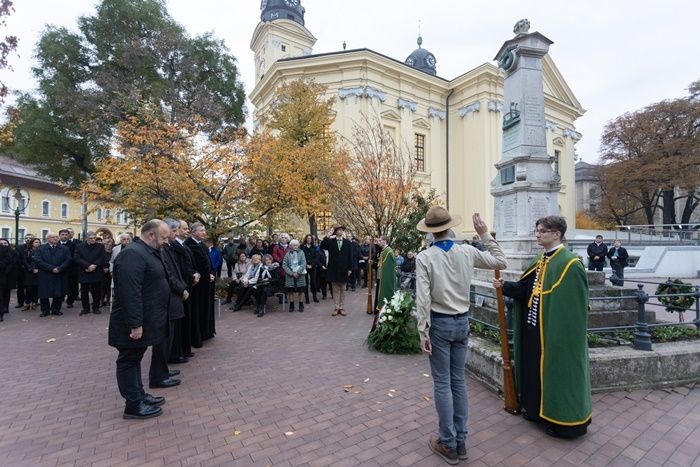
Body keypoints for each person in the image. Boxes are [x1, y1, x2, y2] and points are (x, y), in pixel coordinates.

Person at [416, 207, 507, 464]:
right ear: (449, 228)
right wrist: (485, 234)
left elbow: (423, 299)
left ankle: (448, 442)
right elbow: (501, 261)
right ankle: (461, 440)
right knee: (458, 381)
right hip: (462, 321)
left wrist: (422, 331)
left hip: (440, 323)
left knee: (443, 383)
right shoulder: (467, 251)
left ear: (431, 232)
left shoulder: (425, 257)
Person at [493, 215, 592, 439]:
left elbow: (574, 309)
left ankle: (564, 423)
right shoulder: (541, 259)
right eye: (537, 230)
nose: (537, 234)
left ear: (557, 234)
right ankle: (536, 412)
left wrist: (561, 336)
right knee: (532, 371)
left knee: (557, 375)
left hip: (554, 334)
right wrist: (505, 286)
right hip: (533, 331)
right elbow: (526, 289)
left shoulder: (569, 263)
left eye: (542, 231)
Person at [109, 220, 171, 419]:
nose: (166, 242)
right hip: (132, 323)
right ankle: (133, 405)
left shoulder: (147, 252)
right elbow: (130, 292)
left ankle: (139, 395)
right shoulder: (133, 254)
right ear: (151, 235)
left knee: (135, 359)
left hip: (145, 318)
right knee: (129, 360)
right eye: (163, 238)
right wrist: (136, 324)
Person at [149, 218, 188, 390]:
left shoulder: (167, 248)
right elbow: (168, 275)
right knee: (163, 340)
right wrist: (182, 289)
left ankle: (163, 370)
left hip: (172, 299)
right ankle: (158, 375)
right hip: (168, 299)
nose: (176, 233)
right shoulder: (162, 250)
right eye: (173, 231)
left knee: (168, 337)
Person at [171, 221, 198, 362]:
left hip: (187, 284)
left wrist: (194, 272)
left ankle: (184, 349)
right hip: (181, 287)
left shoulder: (183, 245)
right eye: (184, 228)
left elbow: (188, 264)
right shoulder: (173, 247)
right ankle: (179, 351)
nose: (186, 231)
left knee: (186, 318)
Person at [184, 222, 215, 346]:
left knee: (206, 307)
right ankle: (197, 335)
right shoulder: (188, 245)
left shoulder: (203, 245)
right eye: (201, 230)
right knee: (197, 309)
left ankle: (206, 331)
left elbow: (208, 263)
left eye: (204, 230)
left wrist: (212, 273)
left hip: (207, 283)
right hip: (197, 285)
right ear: (193, 232)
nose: (204, 232)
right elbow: (191, 266)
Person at [34, 232, 72, 317]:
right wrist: (51, 268)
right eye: (53, 237)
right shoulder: (41, 248)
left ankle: (56, 309)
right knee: (44, 293)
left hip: (59, 273)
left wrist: (59, 268)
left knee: (59, 292)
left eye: (56, 237)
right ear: (47, 239)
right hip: (45, 274)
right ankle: (45, 310)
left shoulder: (64, 248)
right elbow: (38, 260)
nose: (55, 238)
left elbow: (68, 260)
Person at [320, 226, 352, 316]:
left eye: (342, 230)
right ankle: (336, 307)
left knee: (343, 289)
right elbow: (322, 246)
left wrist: (350, 268)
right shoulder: (330, 241)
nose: (340, 231)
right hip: (333, 269)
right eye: (338, 230)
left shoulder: (347, 242)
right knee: (335, 289)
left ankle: (342, 307)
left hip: (344, 269)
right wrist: (327, 236)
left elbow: (350, 256)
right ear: (335, 232)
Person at [73, 231, 107, 315]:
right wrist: (88, 266)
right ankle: (86, 308)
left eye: (94, 238)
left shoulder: (100, 246)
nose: (93, 240)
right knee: (84, 292)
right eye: (91, 238)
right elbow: (77, 258)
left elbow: (102, 257)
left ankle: (96, 307)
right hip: (84, 271)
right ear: (86, 238)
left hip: (96, 271)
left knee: (97, 291)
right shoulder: (79, 246)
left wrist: (94, 265)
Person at [282, 239, 307, 312]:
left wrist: (298, 272)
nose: (295, 246)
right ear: (290, 246)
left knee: (301, 290)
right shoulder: (287, 254)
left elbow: (303, 263)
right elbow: (284, 264)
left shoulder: (302, 253)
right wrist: (292, 273)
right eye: (293, 245)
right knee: (290, 291)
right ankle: (291, 305)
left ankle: (301, 304)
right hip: (290, 275)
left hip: (300, 274)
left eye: (296, 245)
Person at [374, 236, 396, 314]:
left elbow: (388, 267)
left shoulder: (388, 251)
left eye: (380, 240)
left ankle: (385, 309)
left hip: (385, 277)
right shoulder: (384, 251)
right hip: (380, 275)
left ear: (385, 241)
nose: (379, 242)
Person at [59, 228, 80, 309]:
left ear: (69, 236)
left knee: (72, 287)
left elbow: (74, 257)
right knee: (60, 286)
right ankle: (60, 299)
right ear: (59, 236)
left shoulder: (74, 245)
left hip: (71, 270)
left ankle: (70, 301)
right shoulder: (56, 244)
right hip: (59, 269)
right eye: (62, 235)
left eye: (66, 235)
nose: (64, 236)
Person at [14, 234, 34, 308]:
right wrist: (23, 265)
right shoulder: (19, 247)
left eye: (30, 238)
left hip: (32, 271)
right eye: (27, 238)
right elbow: (17, 258)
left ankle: (31, 301)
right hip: (22, 271)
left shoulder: (35, 247)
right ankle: (20, 302)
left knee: (31, 287)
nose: (28, 239)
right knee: (20, 288)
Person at [21, 238, 41, 310]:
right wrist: (31, 268)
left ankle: (35, 303)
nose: (37, 243)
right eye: (36, 242)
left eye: (38, 242)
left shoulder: (42, 251)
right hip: (29, 272)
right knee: (28, 288)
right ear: (32, 243)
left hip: (38, 272)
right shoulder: (27, 251)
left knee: (36, 288)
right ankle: (27, 303)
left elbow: (42, 261)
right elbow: (24, 261)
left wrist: (37, 269)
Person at [0, 239, 17, 321]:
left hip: (4, 275)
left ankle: (3, 309)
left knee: (4, 293)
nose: (3, 244)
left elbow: (9, 261)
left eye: (4, 243)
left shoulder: (8, 250)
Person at [301, 234, 319, 304]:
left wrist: (311, 265)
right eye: (308, 238)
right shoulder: (302, 247)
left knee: (313, 283)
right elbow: (301, 257)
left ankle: (315, 297)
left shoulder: (314, 247)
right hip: (304, 267)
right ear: (306, 239)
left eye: (310, 238)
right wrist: (306, 265)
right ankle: (307, 298)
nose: (309, 239)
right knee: (305, 283)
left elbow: (316, 257)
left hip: (312, 267)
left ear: (312, 240)